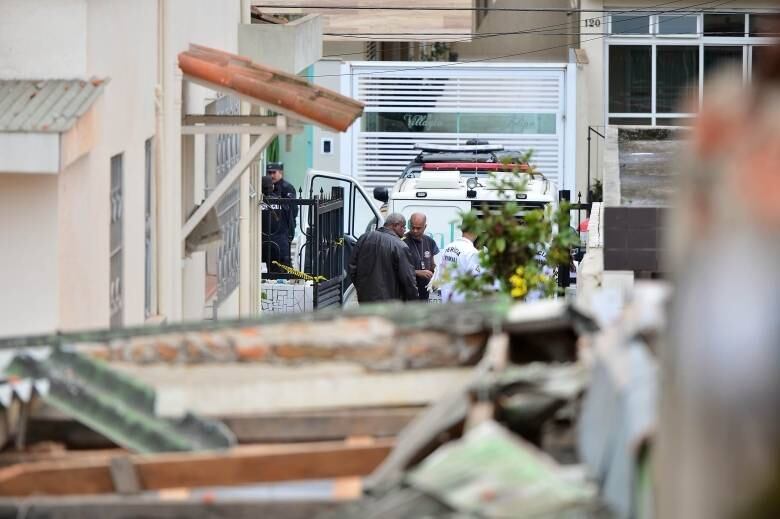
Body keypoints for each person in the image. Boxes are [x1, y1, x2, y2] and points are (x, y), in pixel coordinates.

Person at [348, 213, 418, 303]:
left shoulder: (364, 238)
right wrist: (414, 301)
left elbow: (352, 267)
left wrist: (361, 289)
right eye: (403, 227)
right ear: (396, 225)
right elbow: (408, 279)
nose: (405, 230)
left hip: (365, 299)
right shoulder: (400, 246)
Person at [262, 162, 297, 272]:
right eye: (269, 173)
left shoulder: (287, 188)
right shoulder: (263, 195)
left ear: (280, 172)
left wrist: (289, 233)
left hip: (282, 234)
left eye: (274, 172)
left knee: (281, 266)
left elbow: (292, 212)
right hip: (271, 238)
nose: (271, 175)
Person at [434, 225, 482, 303]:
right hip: (463, 305)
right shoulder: (472, 252)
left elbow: (440, 274)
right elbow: (476, 281)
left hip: (446, 300)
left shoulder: (447, 247)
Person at [402, 213, 440, 301]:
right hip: (407, 293)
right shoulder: (401, 241)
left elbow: (432, 264)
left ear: (425, 226)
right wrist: (417, 272)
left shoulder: (430, 241)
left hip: (424, 292)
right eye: (412, 227)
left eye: (418, 228)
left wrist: (436, 277)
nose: (415, 230)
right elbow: (396, 268)